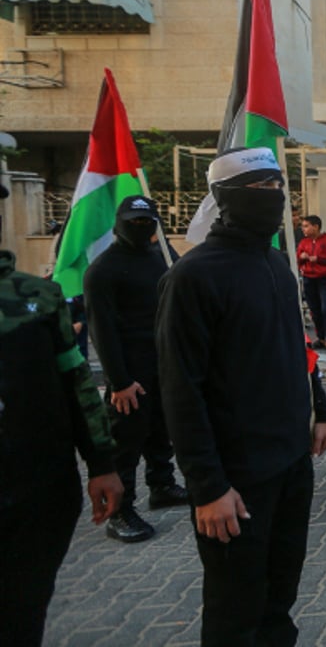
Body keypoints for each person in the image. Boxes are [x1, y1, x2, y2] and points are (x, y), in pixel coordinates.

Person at [158, 147, 326, 646]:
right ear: (224, 198)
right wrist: (208, 486)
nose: (274, 197)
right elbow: (180, 388)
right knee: (236, 609)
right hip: (236, 478)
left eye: (278, 186)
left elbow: (296, 347)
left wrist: (320, 407)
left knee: (279, 598)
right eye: (259, 188)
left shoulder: (278, 265)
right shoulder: (193, 277)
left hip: (292, 462)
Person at [0, 181, 124, 646]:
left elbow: (75, 383)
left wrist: (103, 463)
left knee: (22, 610)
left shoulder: (38, 298)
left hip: (35, 489)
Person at [84, 195, 187, 544]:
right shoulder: (103, 270)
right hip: (129, 371)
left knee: (161, 428)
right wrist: (120, 381)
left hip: (163, 363)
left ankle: (162, 484)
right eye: (134, 222)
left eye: (147, 222)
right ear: (119, 223)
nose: (141, 228)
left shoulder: (161, 260)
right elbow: (103, 330)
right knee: (126, 440)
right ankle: (120, 510)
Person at [297, 214, 326, 352]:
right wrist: (302, 257)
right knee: (314, 310)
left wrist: (318, 258)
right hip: (308, 278)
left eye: (306, 226)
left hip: (325, 279)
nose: (303, 229)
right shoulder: (303, 242)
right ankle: (321, 338)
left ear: (316, 226)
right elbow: (297, 259)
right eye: (303, 226)